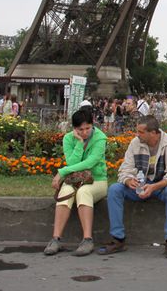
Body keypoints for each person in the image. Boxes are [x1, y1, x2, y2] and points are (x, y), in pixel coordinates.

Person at [98, 115, 167, 258]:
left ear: (154, 133)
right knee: (114, 190)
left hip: (159, 187)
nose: (138, 135)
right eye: (137, 131)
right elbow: (125, 169)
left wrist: (154, 187)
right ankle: (118, 239)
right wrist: (127, 181)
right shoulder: (135, 143)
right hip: (139, 186)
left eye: (141, 132)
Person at [44, 107, 107, 256]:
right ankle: (56, 238)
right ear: (74, 129)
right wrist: (79, 143)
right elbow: (72, 163)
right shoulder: (68, 139)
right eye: (80, 129)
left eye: (88, 128)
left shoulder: (100, 138)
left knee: (84, 192)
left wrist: (62, 172)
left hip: (97, 180)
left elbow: (91, 162)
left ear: (93, 125)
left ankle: (87, 239)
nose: (85, 132)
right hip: (76, 180)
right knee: (65, 191)